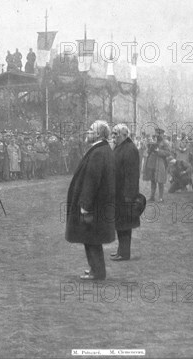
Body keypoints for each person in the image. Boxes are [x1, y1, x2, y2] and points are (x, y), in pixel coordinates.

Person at [65, 120, 115, 280]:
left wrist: (85, 205)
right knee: (92, 238)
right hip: (99, 204)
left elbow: (91, 181)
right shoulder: (101, 150)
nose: (88, 132)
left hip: (94, 205)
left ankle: (98, 272)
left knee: (92, 237)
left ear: (99, 134)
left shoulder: (98, 152)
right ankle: (95, 268)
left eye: (91, 130)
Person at [111, 124, 140, 262]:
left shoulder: (130, 149)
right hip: (119, 193)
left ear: (124, 135)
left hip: (125, 194)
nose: (114, 137)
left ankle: (124, 253)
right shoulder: (120, 147)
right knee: (120, 224)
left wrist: (129, 195)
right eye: (113, 134)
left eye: (116, 134)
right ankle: (120, 250)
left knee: (125, 225)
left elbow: (132, 175)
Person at [143, 128, 171, 202]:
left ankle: (161, 197)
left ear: (162, 134)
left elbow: (168, 153)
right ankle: (152, 196)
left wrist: (159, 151)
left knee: (160, 180)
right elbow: (148, 151)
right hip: (152, 163)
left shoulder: (165, 142)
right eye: (156, 133)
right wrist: (149, 149)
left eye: (158, 134)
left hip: (160, 162)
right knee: (153, 179)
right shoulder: (153, 142)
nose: (157, 135)